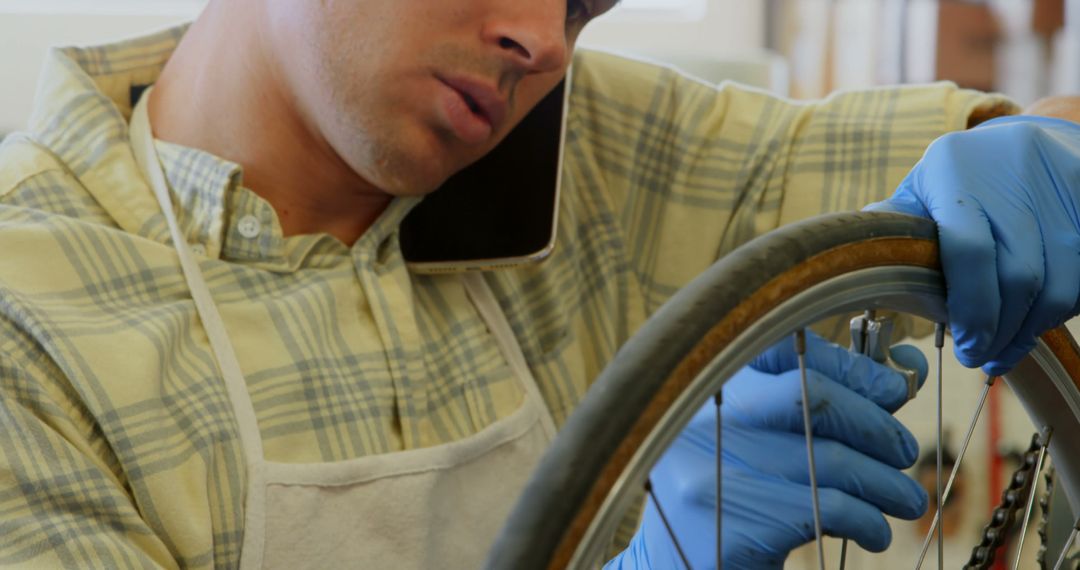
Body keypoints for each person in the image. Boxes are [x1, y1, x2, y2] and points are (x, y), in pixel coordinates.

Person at [0, 0, 1078, 568]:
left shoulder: (579, 152)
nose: (541, 40)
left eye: (584, 0)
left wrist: (1036, 155)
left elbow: (1024, 155)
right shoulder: (27, 315)